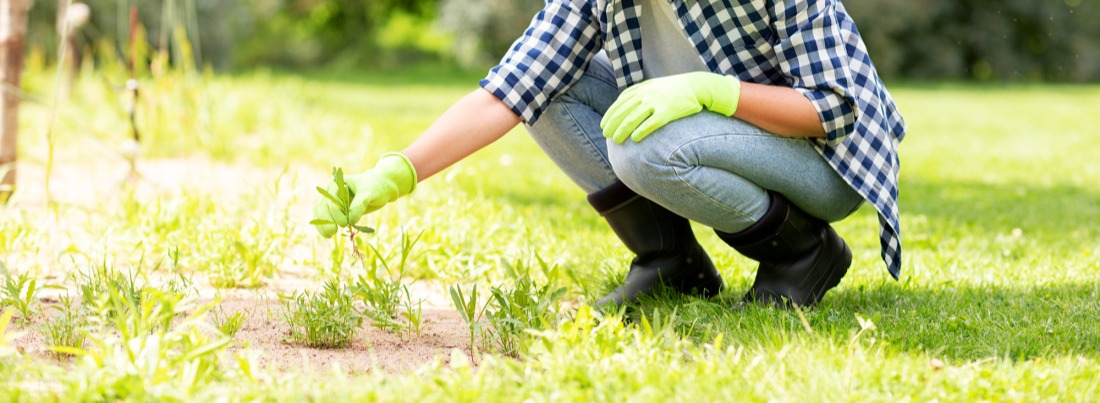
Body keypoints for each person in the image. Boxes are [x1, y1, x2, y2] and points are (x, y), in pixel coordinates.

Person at [312, 0, 906, 309]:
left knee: (643, 145)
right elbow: (510, 89)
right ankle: (671, 262)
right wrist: (401, 170)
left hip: (829, 163)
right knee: (548, 90)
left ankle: (802, 253)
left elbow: (835, 106)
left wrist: (715, 92)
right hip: (715, 136)